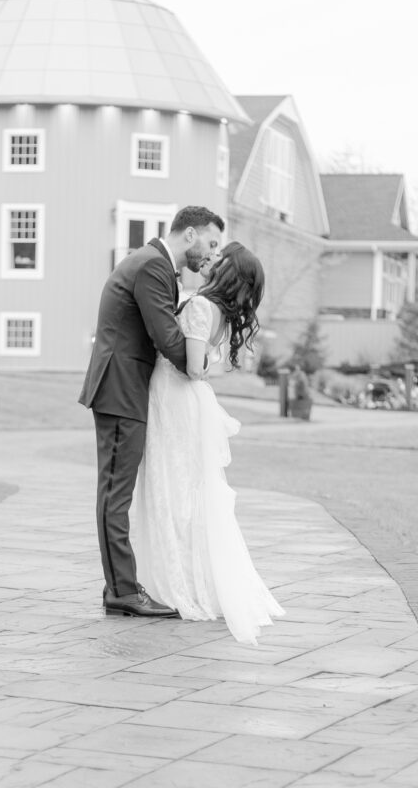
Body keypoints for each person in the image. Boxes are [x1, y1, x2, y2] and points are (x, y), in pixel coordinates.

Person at [133, 241, 284, 644]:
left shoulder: (201, 307)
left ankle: (180, 584)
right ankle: (180, 575)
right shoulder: (217, 311)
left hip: (175, 397)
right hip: (181, 400)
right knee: (182, 489)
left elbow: (196, 367)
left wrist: (181, 356)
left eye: (221, 259)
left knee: (173, 489)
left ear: (229, 272)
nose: (212, 261)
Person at [79, 206, 224, 618]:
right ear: (190, 234)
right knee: (115, 493)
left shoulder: (154, 265)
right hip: (120, 390)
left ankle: (120, 587)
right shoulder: (152, 267)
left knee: (115, 491)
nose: (211, 255)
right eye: (211, 244)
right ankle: (123, 590)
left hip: (125, 388)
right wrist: (200, 367)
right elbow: (166, 337)